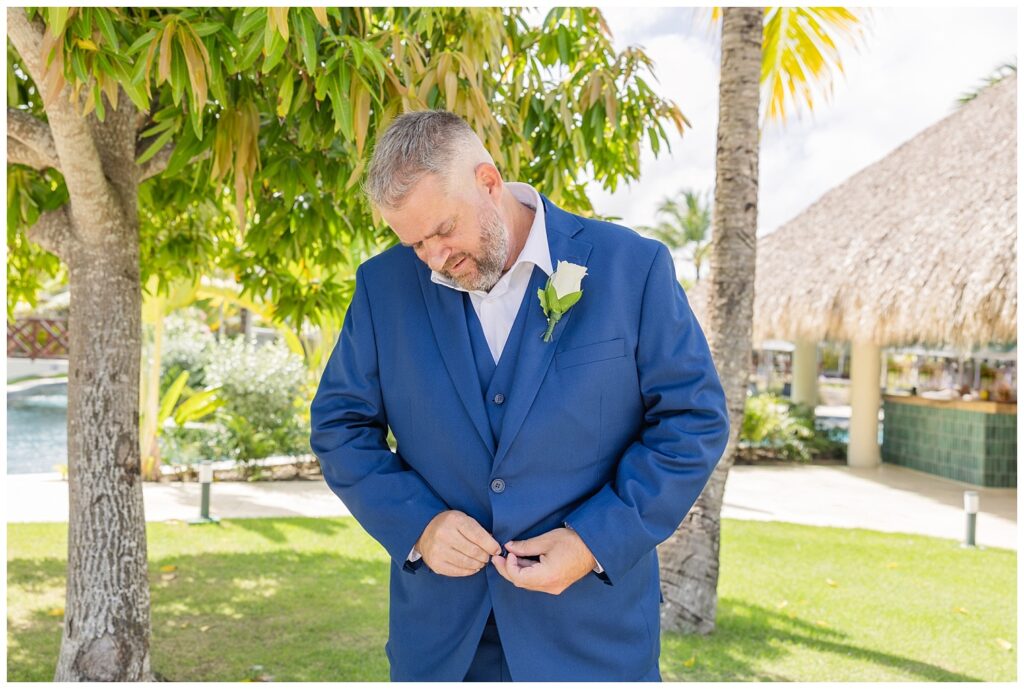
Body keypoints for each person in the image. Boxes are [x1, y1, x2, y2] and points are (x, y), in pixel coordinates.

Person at [309, 110, 730, 681]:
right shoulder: (381, 288)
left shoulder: (633, 267)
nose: (434, 258)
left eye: (443, 231)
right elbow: (339, 425)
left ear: (488, 181)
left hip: (592, 640)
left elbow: (692, 420)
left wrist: (591, 542)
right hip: (442, 644)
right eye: (414, 244)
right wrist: (420, 526)